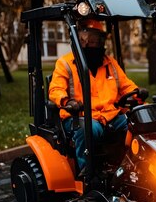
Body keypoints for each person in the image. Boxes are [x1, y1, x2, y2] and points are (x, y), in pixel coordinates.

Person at [49, 19, 143, 171]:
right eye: (83, 40)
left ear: (101, 41)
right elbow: (55, 90)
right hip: (79, 115)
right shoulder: (65, 63)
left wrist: (137, 94)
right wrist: (68, 101)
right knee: (89, 129)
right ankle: (87, 174)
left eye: (92, 40)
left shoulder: (110, 63)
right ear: (77, 40)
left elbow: (127, 86)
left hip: (110, 115)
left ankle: (130, 167)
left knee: (138, 123)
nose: (87, 44)